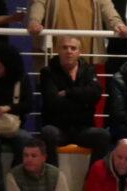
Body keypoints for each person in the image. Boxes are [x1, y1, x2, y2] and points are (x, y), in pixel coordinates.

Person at [36, 35, 110, 164]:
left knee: (103, 135)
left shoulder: (88, 70)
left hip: (83, 128)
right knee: (48, 132)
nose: (69, 51)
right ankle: (54, 175)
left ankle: (93, 175)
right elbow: (52, 102)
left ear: (79, 52)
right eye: (65, 47)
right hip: (59, 128)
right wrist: (83, 102)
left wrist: (68, 92)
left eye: (73, 48)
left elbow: (95, 93)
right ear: (58, 50)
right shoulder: (47, 72)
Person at [27, 0, 127, 61]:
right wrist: (34, 21)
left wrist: (117, 24)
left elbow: (107, 8)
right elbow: (38, 3)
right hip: (55, 52)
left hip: (86, 51)